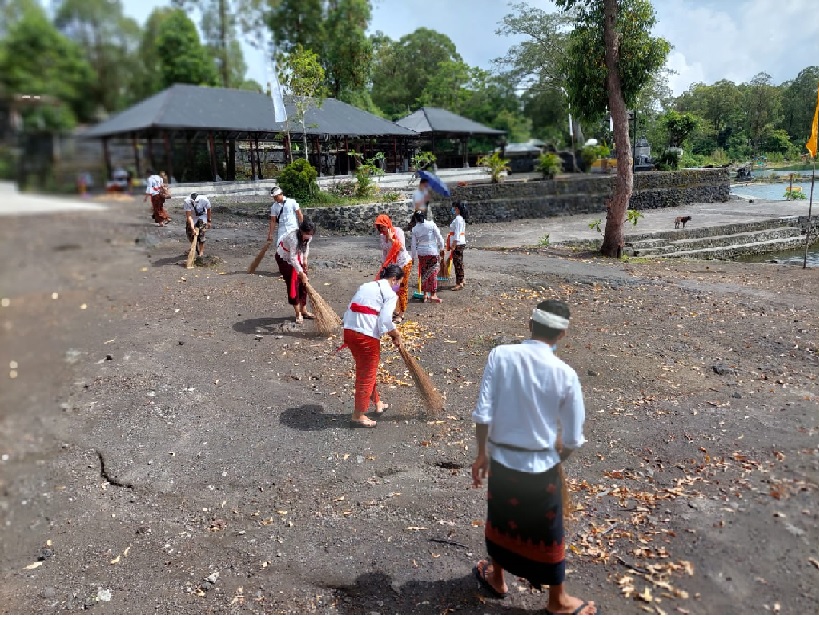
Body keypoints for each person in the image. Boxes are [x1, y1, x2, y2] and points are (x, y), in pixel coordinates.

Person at [470, 299, 595, 615]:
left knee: (500, 521)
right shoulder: (565, 374)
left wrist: (482, 454)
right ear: (562, 335)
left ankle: (497, 578)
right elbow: (573, 438)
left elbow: (483, 414)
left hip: (501, 462)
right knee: (547, 532)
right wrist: (557, 459)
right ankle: (557, 600)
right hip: (541, 469)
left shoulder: (500, 356)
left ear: (530, 325)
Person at [341, 264, 405, 428]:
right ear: (393, 279)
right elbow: (385, 320)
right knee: (367, 374)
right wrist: (396, 334)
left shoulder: (366, 285)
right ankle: (358, 415)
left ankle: (377, 403)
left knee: (365, 369)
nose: (398, 286)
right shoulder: (390, 293)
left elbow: (351, 309)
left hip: (349, 331)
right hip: (365, 336)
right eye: (399, 283)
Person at [275, 220, 315, 324]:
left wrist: (305, 260)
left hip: (298, 256)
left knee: (304, 284)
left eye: (311, 234)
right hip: (285, 259)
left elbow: (306, 247)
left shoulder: (309, 237)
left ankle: (304, 310)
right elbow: (292, 258)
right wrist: (301, 273)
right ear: (301, 231)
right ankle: (298, 313)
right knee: (293, 284)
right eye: (307, 234)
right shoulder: (293, 238)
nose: (309, 236)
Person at [374, 214, 412, 323]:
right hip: (392, 265)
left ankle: (401, 314)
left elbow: (401, 248)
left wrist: (391, 239)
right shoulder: (382, 236)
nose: (382, 229)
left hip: (403, 263)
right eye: (380, 227)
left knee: (402, 288)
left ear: (388, 224)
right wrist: (383, 266)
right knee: (392, 289)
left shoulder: (398, 231)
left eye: (383, 226)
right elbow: (384, 252)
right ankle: (395, 309)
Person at [410, 210, 445, 303]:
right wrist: (442, 248)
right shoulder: (431, 224)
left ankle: (425, 294)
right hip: (432, 251)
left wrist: (412, 257)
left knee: (424, 273)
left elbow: (413, 245)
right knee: (433, 273)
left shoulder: (414, 229)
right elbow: (439, 237)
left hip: (421, 252)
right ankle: (433, 294)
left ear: (416, 218)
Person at [183, 193, 211, 257]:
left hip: (202, 216)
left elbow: (209, 209)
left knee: (201, 235)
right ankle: (193, 248)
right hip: (192, 217)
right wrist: (192, 228)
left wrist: (209, 221)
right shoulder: (187, 202)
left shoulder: (204, 200)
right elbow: (189, 216)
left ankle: (201, 252)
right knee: (190, 234)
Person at [448, 201, 468, 291]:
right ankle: (462, 279)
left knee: (457, 263)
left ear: (457, 209)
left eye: (454, 208)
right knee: (459, 262)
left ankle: (459, 283)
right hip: (460, 242)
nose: (453, 209)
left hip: (458, 243)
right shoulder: (460, 218)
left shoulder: (458, 219)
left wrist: (454, 244)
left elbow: (457, 233)